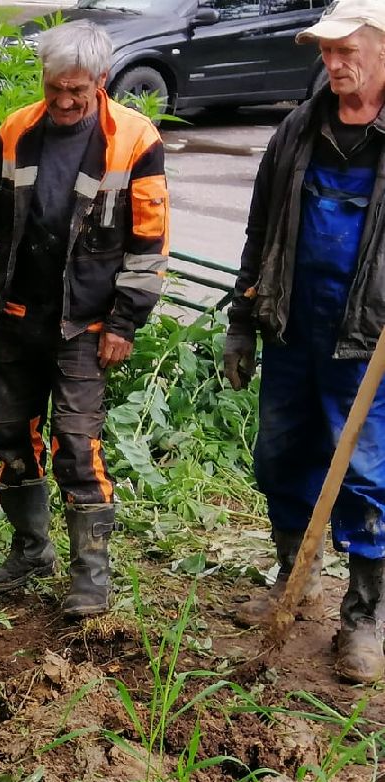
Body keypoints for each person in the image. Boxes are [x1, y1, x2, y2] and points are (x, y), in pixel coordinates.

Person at [0, 20, 169, 617]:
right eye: (56, 87)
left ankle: (90, 576)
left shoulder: (133, 139)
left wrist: (125, 323)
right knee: (10, 437)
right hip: (16, 317)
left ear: (101, 81)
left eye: (77, 89)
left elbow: (149, 243)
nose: (65, 100)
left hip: (86, 324)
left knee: (77, 444)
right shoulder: (16, 131)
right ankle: (31, 549)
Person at [223, 0, 385, 684]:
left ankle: (363, 619)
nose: (332, 63)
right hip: (292, 326)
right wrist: (241, 319)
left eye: (345, 50)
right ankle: (293, 582)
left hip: (367, 340)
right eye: (324, 51)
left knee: (367, 477)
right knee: (281, 456)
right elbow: (259, 231)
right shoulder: (297, 128)